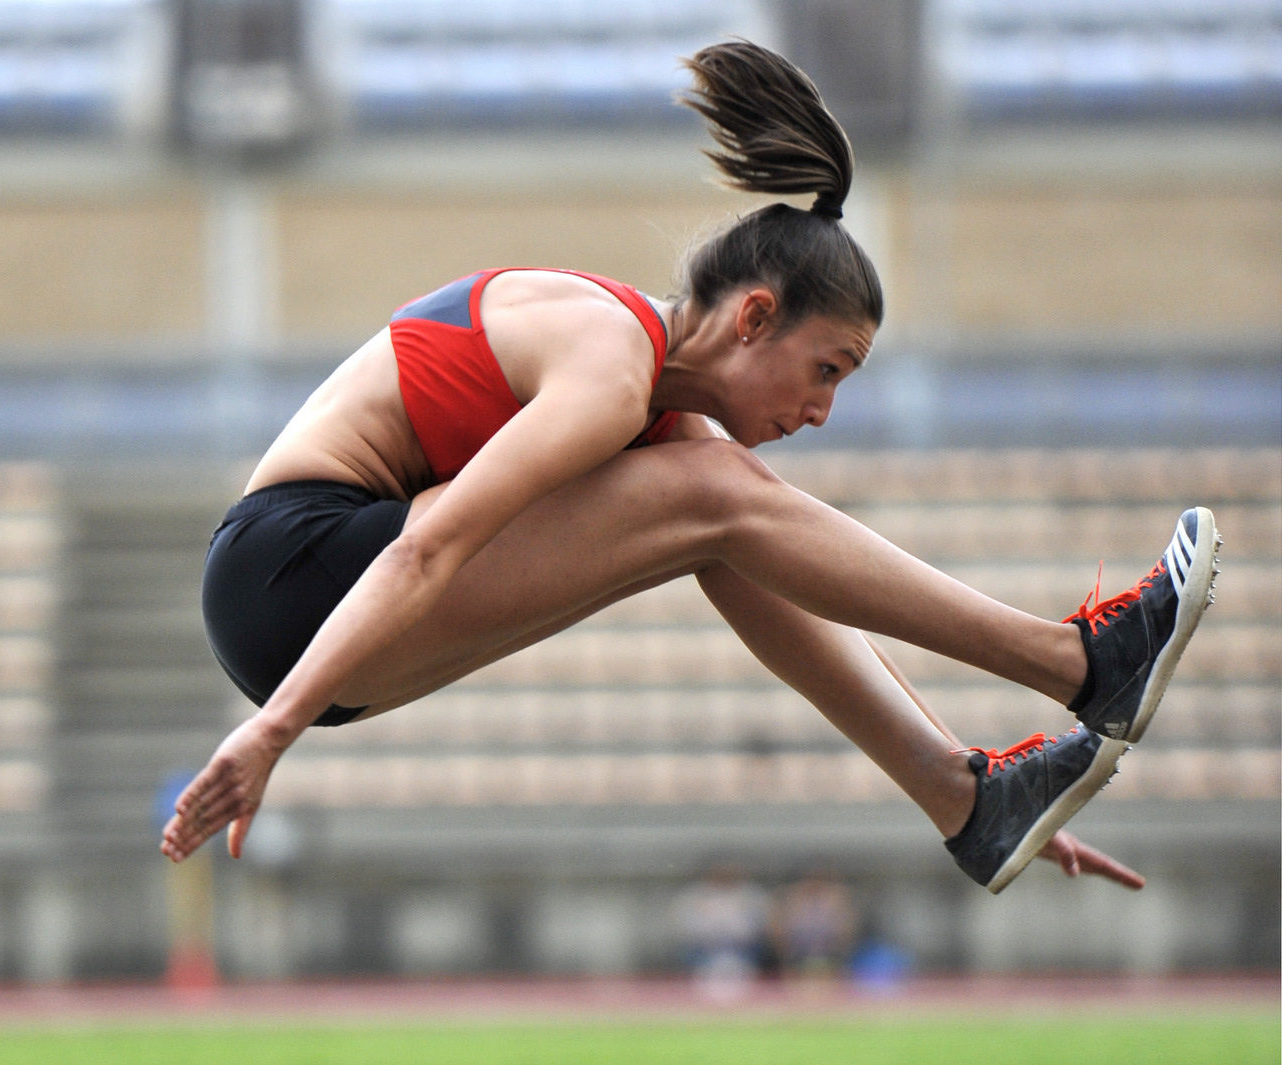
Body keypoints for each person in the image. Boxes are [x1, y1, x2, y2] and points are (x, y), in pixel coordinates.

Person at [162, 39, 1220, 895]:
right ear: (754, 316)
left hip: (327, 612)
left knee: (729, 525)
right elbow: (433, 544)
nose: (820, 411)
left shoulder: (660, 416)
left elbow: (782, 599)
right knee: (715, 497)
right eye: (824, 369)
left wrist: (970, 789)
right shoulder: (608, 365)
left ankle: (970, 800)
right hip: (291, 577)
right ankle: (1078, 662)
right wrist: (271, 731)